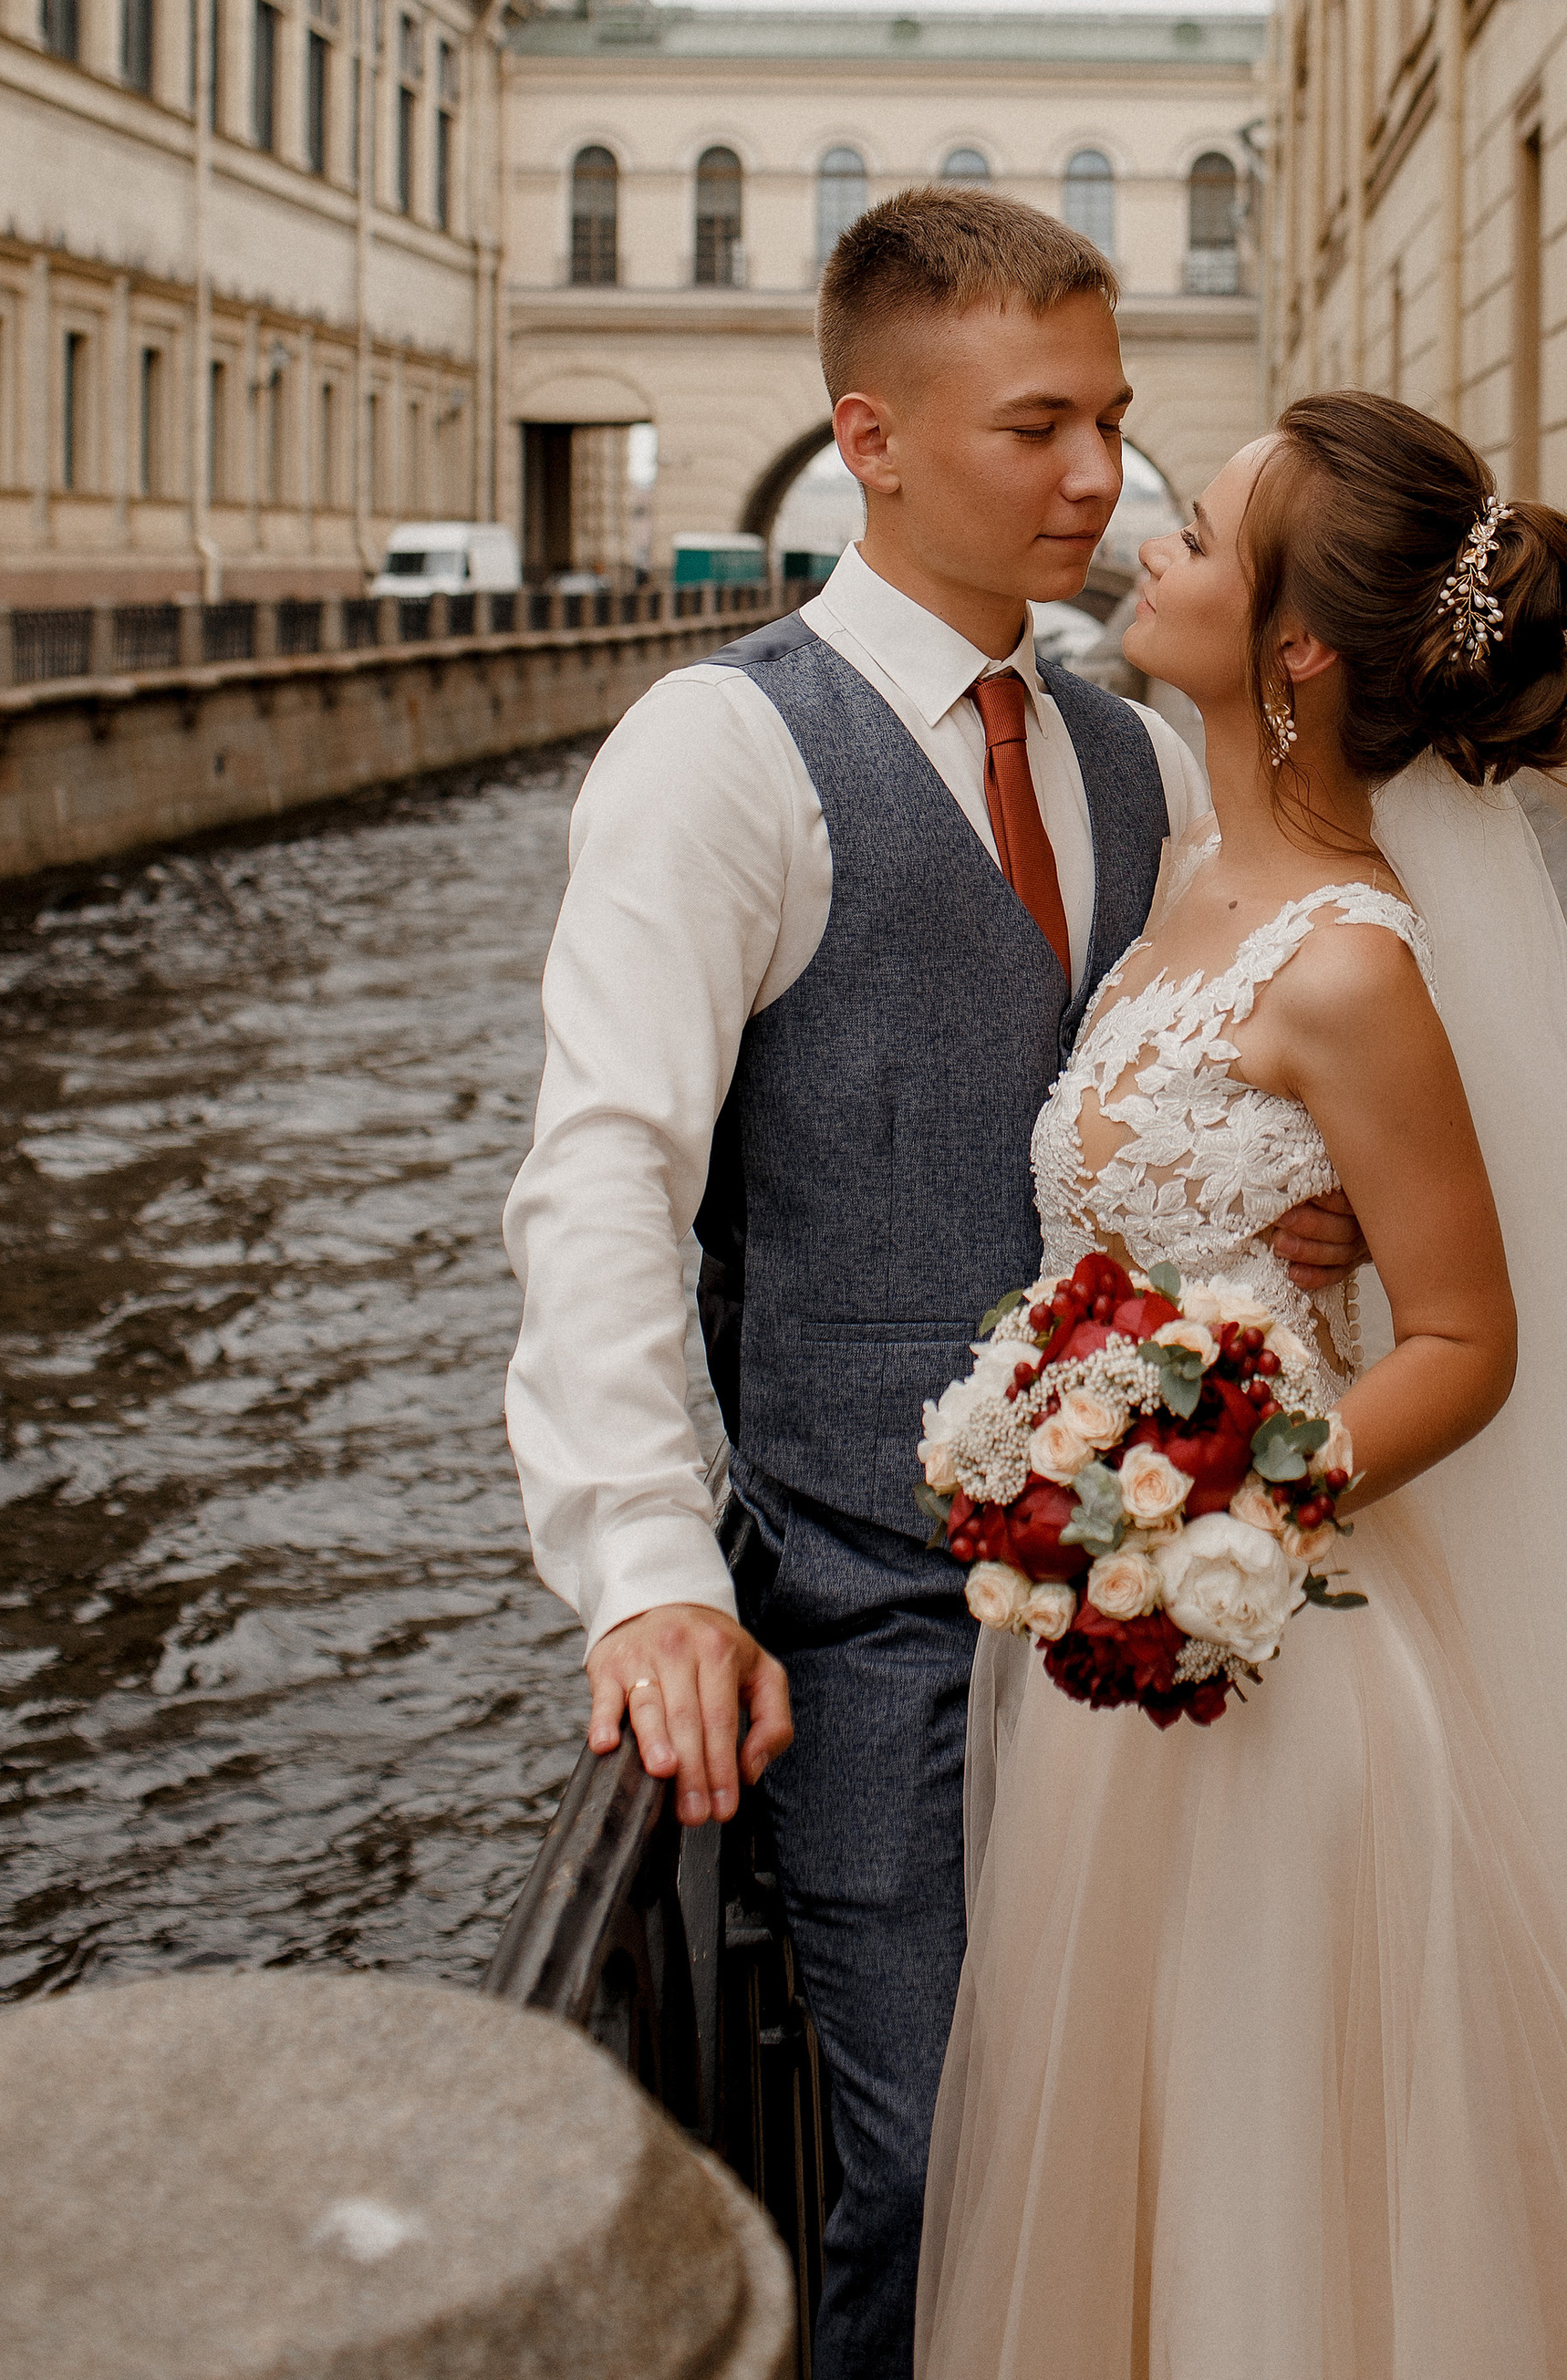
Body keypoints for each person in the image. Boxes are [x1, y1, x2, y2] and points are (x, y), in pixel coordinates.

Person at [916, 392, 1567, 2380]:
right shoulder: (1182, 874)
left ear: (1293, 647)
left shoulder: (1351, 961)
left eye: (1196, 538)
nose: (1145, 554)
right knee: (1129, 2143)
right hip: (1123, 1642)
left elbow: (1467, 1341)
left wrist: (1211, 1505)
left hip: (1278, 1654)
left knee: (1289, 2179)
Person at [502, 188, 1362, 2380]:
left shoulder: (1131, 752)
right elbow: (600, 1177)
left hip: (1159, 1603)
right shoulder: (717, 751)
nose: (1099, 479)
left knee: (1152, 2149)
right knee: (931, 2178)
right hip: (868, 1622)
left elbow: (1202, 1082)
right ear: (866, 439)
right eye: (1038, 427)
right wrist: (648, 1572)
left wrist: (1298, 1203)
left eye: (1116, 423)